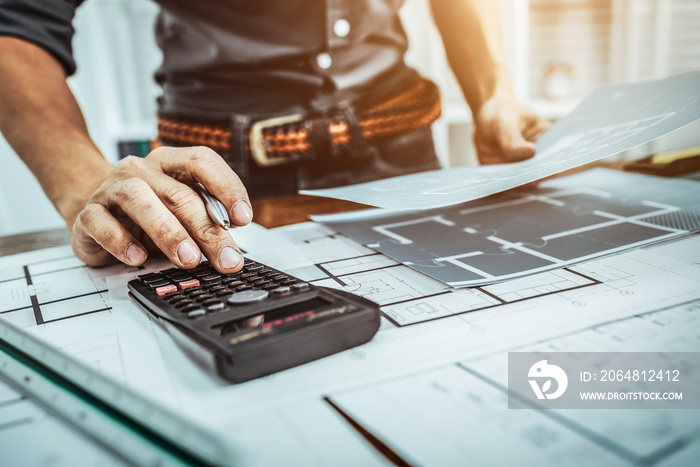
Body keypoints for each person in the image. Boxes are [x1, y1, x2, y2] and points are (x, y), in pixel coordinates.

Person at [0, 0, 549, 274]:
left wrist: (491, 94)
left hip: (405, 150)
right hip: (217, 182)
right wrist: (91, 193)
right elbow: (15, 28)